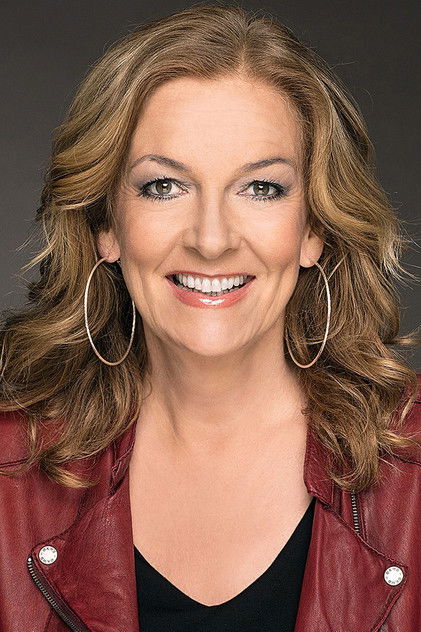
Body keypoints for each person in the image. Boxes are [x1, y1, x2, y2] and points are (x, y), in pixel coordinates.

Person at [0, 4, 420, 631]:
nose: (212, 239)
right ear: (106, 225)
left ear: (314, 229)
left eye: (261, 188)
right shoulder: (8, 473)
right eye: (164, 186)